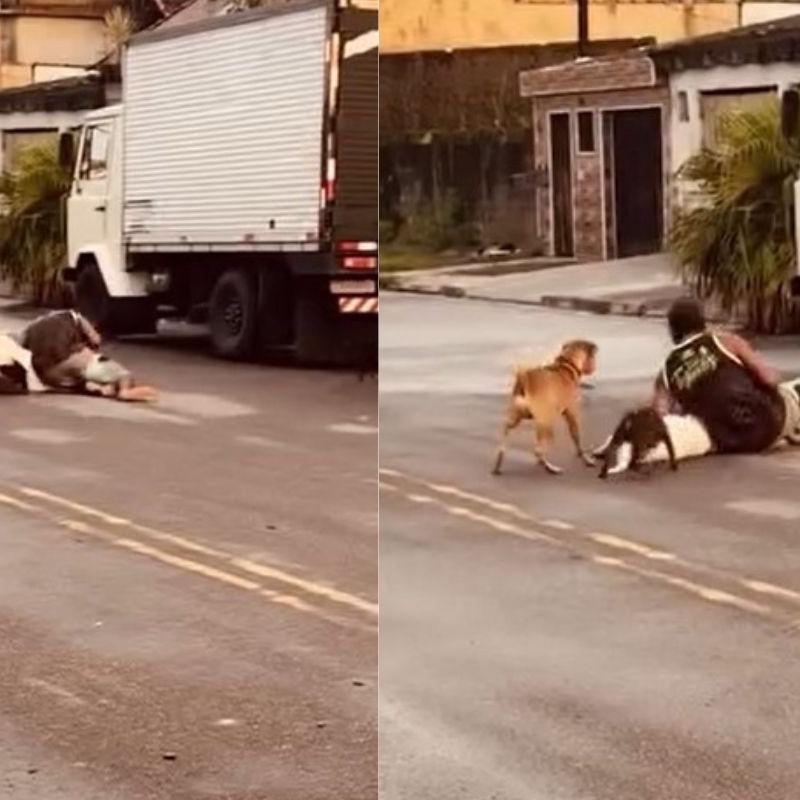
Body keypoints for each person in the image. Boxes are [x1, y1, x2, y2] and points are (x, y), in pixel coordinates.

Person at [653, 298, 799, 454]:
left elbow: (659, 416)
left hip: (729, 444)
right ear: (702, 322)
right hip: (768, 423)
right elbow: (769, 379)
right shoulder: (726, 341)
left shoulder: (666, 373)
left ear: (672, 330)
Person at [17, 310, 157, 402]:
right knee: (122, 373)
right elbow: (95, 339)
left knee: (79, 378)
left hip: (44, 374)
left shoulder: (33, 326)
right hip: (67, 360)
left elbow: (20, 345)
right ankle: (124, 390)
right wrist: (92, 345)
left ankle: (99, 387)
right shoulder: (76, 317)